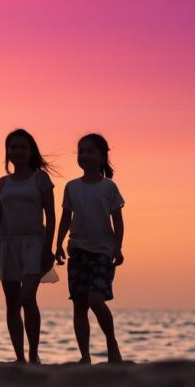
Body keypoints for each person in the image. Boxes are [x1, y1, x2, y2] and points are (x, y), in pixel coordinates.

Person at [0, 129, 57, 364]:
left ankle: (34, 354)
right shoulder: (3, 182)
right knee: (12, 302)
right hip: (7, 245)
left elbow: (51, 215)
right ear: (8, 152)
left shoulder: (40, 179)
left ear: (31, 151)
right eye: (13, 147)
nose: (17, 151)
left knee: (28, 297)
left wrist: (49, 248)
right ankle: (19, 358)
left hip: (34, 243)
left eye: (22, 147)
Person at [55, 133, 125, 364]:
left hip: (103, 252)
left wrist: (118, 246)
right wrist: (58, 243)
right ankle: (85, 356)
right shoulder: (72, 187)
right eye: (81, 151)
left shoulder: (109, 187)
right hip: (78, 250)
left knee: (96, 299)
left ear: (103, 156)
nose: (84, 155)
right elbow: (65, 218)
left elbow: (118, 220)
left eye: (90, 151)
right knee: (79, 304)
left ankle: (111, 341)